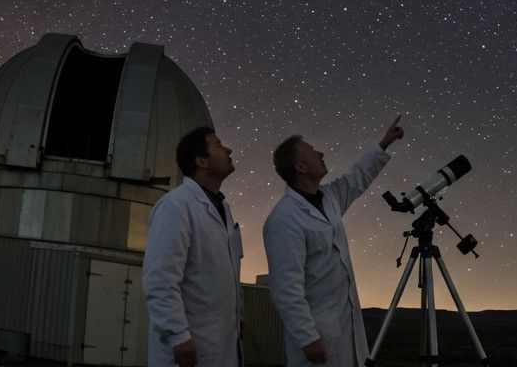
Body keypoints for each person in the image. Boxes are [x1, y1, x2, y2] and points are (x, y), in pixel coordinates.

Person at [263, 116, 405, 366]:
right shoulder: (283, 220)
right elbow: (287, 289)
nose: (321, 152)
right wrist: (308, 338)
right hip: (318, 336)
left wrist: (383, 144)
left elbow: (356, 177)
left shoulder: (329, 197)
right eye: (312, 151)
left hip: (343, 325)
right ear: (300, 167)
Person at [143, 127, 244, 367]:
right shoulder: (175, 207)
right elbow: (160, 278)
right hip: (189, 348)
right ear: (202, 161)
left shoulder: (223, 209)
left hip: (221, 343)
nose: (228, 150)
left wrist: (238, 314)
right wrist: (177, 335)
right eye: (218, 145)